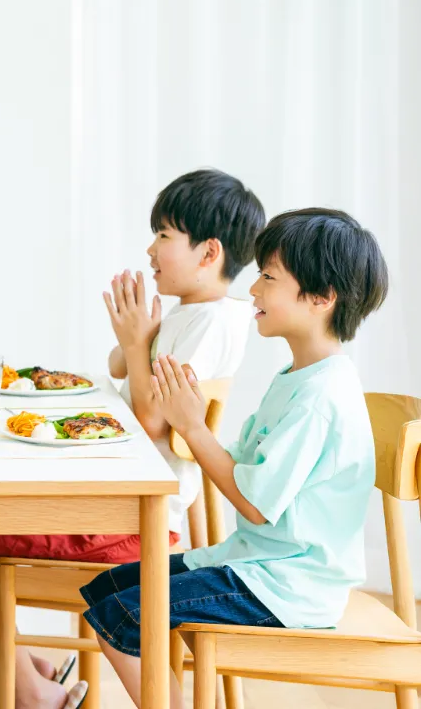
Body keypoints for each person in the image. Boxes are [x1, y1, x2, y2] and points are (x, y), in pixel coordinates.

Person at [0, 169, 264, 708]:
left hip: (123, 520)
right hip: (113, 499)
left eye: (165, 236)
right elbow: (120, 370)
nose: (151, 249)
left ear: (207, 252)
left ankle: (33, 692)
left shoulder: (212, 324)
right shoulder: (191, 313)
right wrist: (136, 338)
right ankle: (29, 669)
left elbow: (153, 422)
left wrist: (136, 341)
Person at [83, 208, 388, 709]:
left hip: (289, 584)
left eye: (269, 278)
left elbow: (253, 503)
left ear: (321, 298)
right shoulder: (300, 377)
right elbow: (246, 473)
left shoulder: (320, 398)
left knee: (126, 613)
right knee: (107, 590)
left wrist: (191, 426)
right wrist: (191, 424)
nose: (254, 291)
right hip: (257, 562)